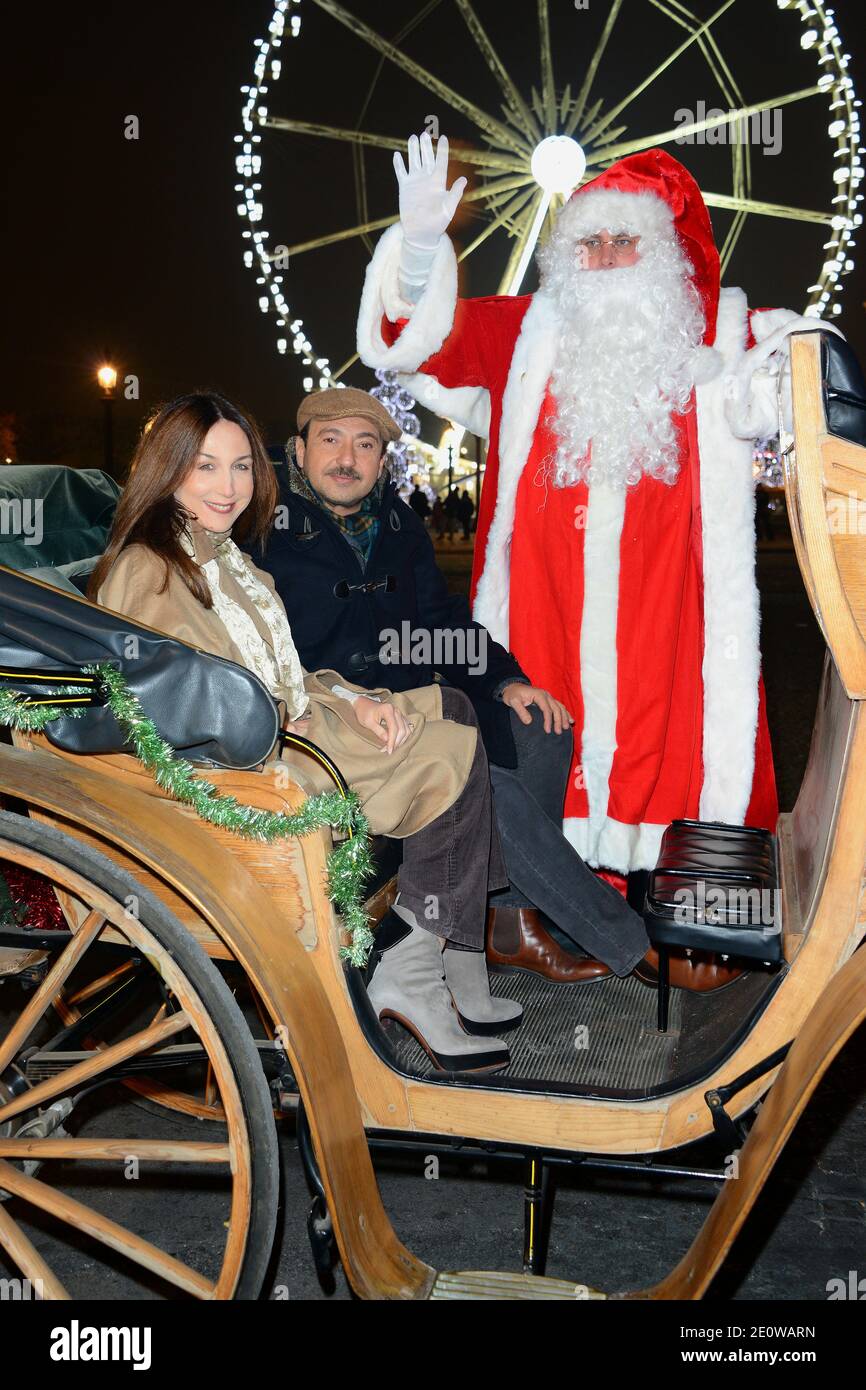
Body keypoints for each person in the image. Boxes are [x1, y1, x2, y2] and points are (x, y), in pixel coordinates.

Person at [357, 134, 833, 899]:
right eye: (591, 242)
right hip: (544, 611)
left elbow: (811, 366)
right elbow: (420, 344)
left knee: (669, 742)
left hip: (672, 615)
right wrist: (417, 251)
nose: (606, 258)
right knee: (544, 741)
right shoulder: (525, 337)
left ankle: (684, 892)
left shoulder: (720, 335)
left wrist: (790, 372)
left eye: (624, 241)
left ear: (666, 256)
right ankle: (539, 899)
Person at [89, 390, 535, 1074]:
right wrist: (294, 711)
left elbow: (288, 666)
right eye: (206, 468)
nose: (228, 487)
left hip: (293, 725)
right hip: (253, 769)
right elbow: (170, 716)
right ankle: (423, 963)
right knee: (449, 744)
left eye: (240, 468)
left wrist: (354, 701)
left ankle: (444, 948)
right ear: (168, 470)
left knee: (449, 712)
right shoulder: (151, 571)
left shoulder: (224, 555)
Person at [258, 388, 721, 994]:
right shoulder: (266, 527)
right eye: (331, 440)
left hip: (415, 698)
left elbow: (443, 621)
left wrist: (506, 681)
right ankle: (626, 942)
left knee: (540, 729)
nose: (347, 457)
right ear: (299, 448)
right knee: (483, 779)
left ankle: (509, 920)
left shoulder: (396, 523)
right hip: (337, 717)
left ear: (380, 461)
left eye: (365, 444)